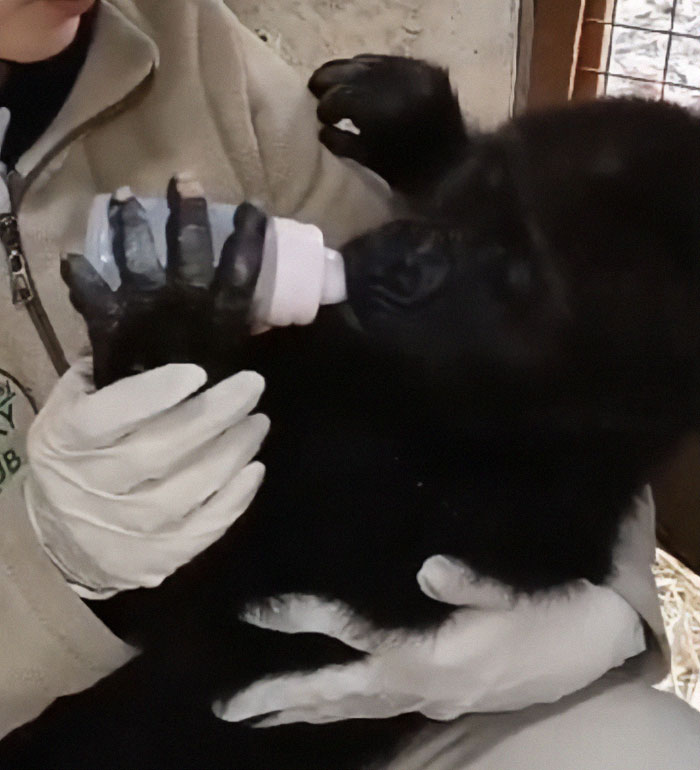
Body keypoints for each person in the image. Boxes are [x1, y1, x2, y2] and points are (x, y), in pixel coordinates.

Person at [0, 1, 698, 766]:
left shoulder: (175, 30)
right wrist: (46, 564)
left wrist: (614, 616)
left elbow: (608, 360)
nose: (408, 244)